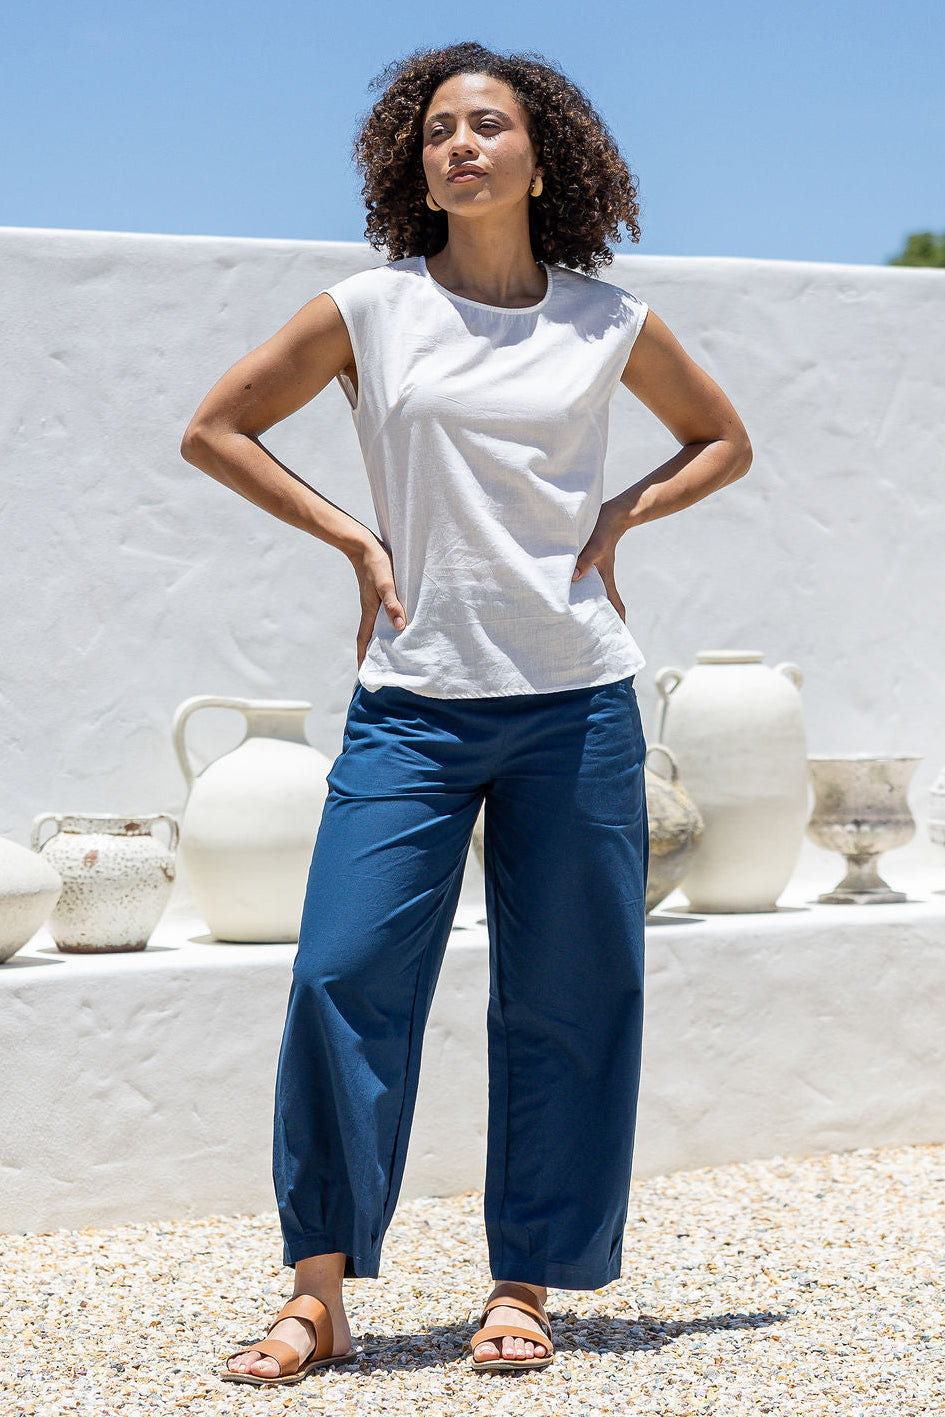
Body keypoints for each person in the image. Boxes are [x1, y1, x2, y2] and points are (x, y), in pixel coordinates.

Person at [181, 40, 751, 1386]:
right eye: (437, 129)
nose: (461, 146)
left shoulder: (605, 322)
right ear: (412, 161)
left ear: (540, 158)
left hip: (576, 701)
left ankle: (523, 1281)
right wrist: (354, 541)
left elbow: (721, 437)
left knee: (567, 996)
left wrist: (622, 516)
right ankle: (318, 1291)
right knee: (341, 976)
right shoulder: (369, 310)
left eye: (487, 126)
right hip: (413, 705)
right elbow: (217, 427)